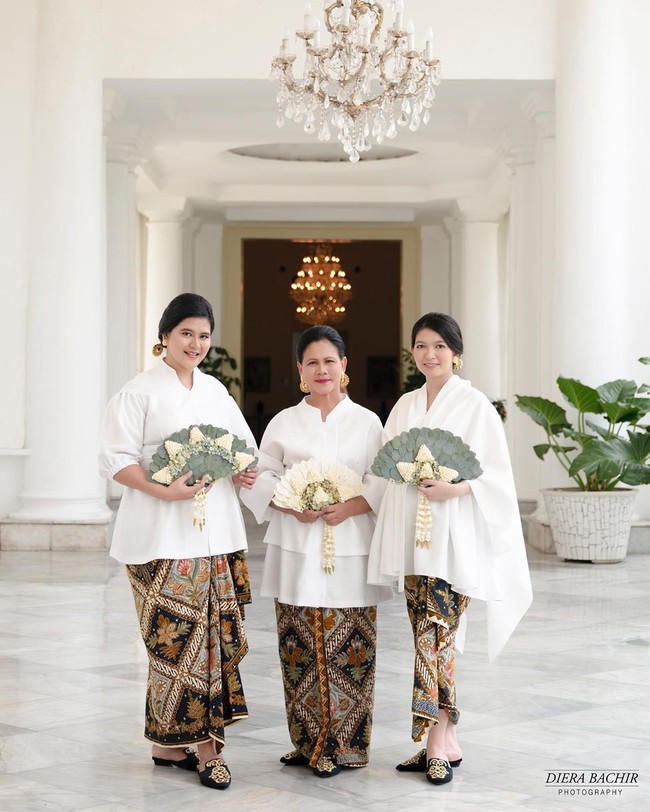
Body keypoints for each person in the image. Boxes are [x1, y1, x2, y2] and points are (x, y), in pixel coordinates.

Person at [98, 293, 258, 791]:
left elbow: (244, 450)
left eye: (204, 335)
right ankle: (203, 748)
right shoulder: (138, 392)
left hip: (216, 535)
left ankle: (175, 743)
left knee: (210, 641)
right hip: (157, 537)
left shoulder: (216, 392)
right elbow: (114, 460)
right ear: (165, 335)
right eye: (186, 332)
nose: (196, 343)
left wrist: (245, 471)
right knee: (174, 645)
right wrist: (163, 490)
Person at [368, 312, 532, 786]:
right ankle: (446, 735)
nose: (430, 354)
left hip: (454, 540)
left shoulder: (475, 405)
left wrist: (455, 488)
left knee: (437, 637)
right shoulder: (404, 407)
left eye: (439, 345)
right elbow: (384, 468)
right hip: (412, 541)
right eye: (421, 345)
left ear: (456, 352)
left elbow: (497, 476)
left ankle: (437, 743)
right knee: (427, 635)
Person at [240, 325, 392, 777]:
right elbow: (261, 475)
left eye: (330, 361)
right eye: (312, 362)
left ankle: (346, 744)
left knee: (350, 643)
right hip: (296, 544)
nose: (322, 370)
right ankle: (307, 741)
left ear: (344, 366)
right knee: (298, 643)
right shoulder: (284, 421)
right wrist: (288, 501)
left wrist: (349, 506)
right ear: (300, 370)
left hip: (351, 545)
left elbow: (383, 480)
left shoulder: (368, 422)